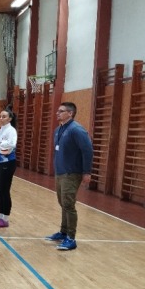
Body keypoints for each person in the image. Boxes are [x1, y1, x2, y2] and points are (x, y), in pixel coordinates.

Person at [45, 102, 94, 251]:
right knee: (63, 203)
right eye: (58, 111)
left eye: (61, 111)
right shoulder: (58, 130)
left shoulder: (76, 130)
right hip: (60, 173)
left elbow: (87, 151)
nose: (57, 113)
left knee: (68, 204)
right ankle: (63, 232)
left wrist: (87, 172)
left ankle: (71, 238)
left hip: (71, 173)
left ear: (70, 113)